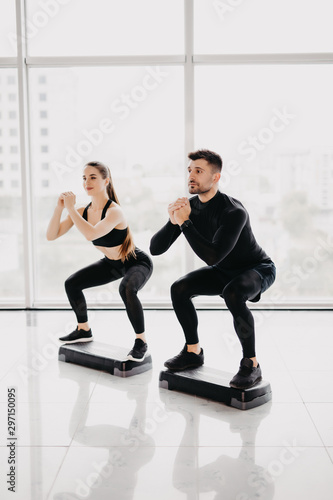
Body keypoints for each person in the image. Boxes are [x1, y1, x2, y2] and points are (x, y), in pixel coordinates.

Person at [150, 149, 276, 389]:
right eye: (189, 171)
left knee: (233, 293)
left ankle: (251, 364)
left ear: (215, 177)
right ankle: (193, 352)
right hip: (224, 270)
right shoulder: (190, 207)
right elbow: (156, 249)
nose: (191, 176)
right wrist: (172, 219)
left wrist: (185, 222)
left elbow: (212, 256)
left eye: (199, 171)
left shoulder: (233, 211)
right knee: (179, 288)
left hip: (257, 268)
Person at [46, 161, 153, 362]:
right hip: (111, 264)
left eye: (93, 177)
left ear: (106, 181)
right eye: (84, 178)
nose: (87, 182)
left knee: (127, 288)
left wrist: (71, 209)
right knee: (72, 283)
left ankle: (141, 342)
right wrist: (60, 209)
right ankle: (83, 329)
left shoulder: (114, 211)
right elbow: (51, 235)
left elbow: (91, 234)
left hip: (136, 262)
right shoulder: (82, 210)